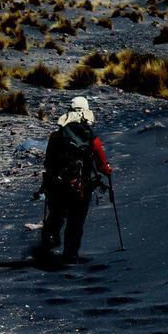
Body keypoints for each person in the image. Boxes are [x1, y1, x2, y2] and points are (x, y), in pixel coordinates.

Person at [38, 96, 112, 262]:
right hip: (82, 186)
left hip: (57, 185)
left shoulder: (56, 136)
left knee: (57, 213)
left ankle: (49, 240)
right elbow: (101, 164)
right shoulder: (91, 137)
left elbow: (48, 162)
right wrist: (107, 170)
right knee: (76, 221)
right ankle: (71, 254)